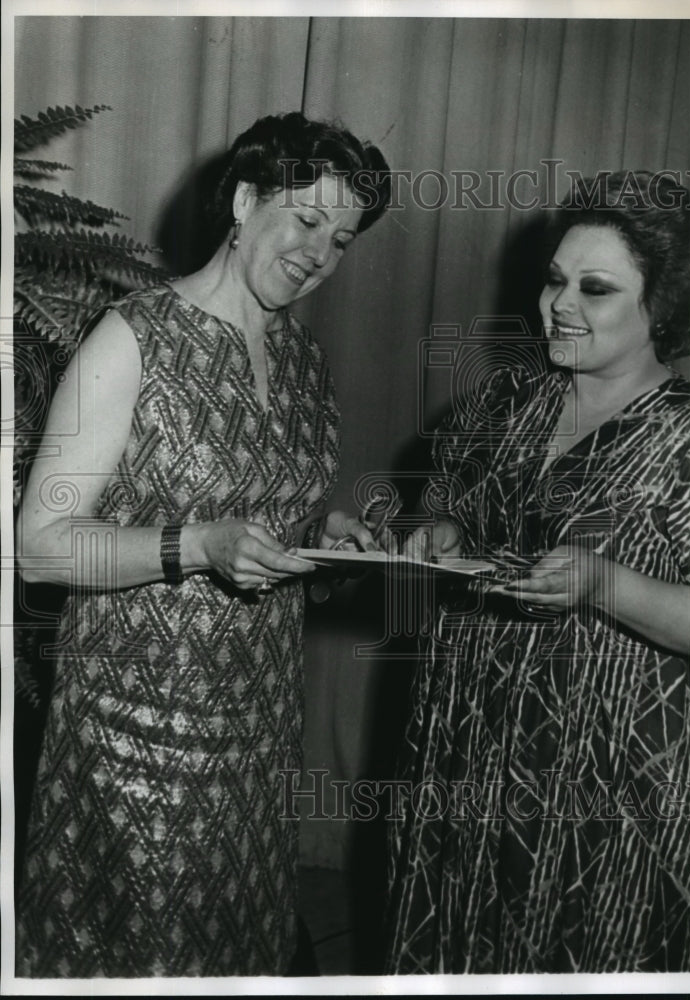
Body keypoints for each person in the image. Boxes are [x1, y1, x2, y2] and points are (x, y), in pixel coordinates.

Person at [15, 111, 390, 977]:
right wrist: (198, 545)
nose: (318, 255)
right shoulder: (131, 339)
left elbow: (269, 518)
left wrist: (323, 540)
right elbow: (38, 546)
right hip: (136, 739)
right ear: (247, 199)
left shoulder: (304, 363)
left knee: (237, 946)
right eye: (304, 220)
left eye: (340, 240)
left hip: (259, 731)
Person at [386, 170, 690, 973]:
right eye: (557, 280)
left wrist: (607, 584)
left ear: (663, 308)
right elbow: (448, 509)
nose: (560, 305)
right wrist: (432, 533)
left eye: (595, 289)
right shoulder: (501, 406)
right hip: (469, 751)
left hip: (608, 790)